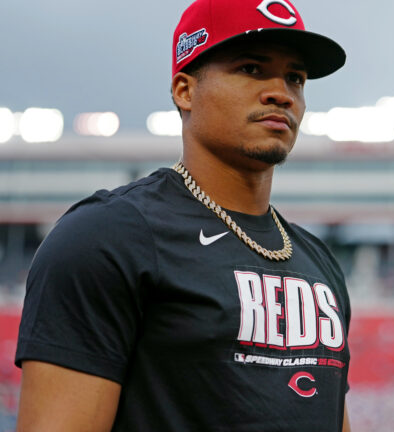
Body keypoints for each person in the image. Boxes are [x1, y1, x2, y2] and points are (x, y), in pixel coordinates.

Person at [14, 0, 351, 430]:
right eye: (250, 68)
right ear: (184, 90)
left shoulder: (318, 263)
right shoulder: (107, 237)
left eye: (295, 77)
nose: (280, 93)